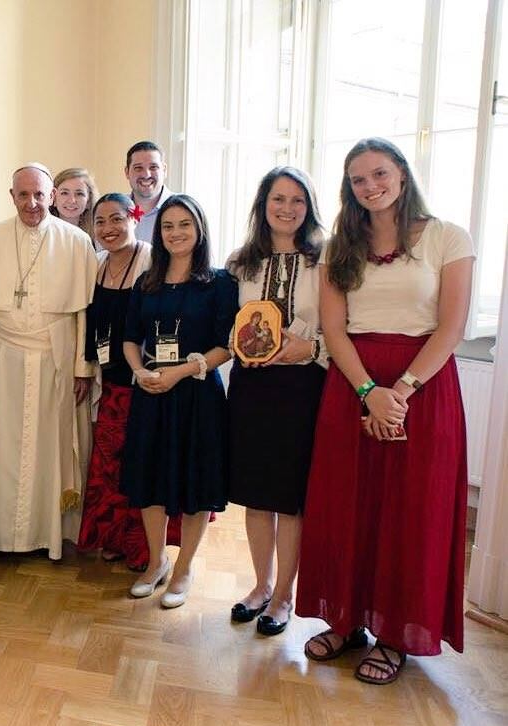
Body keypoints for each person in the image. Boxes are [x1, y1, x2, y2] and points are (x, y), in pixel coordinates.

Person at [297, 138, 473, 684]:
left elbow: (451, 327)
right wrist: (369, 391)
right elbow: (333, 327)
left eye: (379, 173)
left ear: (401, 172)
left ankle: (395, 631)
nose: (370, 186)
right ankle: (346, 620)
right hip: (353, 383)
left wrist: (400, 392)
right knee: (347, 505)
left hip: (424, 387)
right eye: (358, 180)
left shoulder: (448, 236)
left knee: (408, 511)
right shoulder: (339, 246)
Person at [0, 163, 97, 560]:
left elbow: (84, 313)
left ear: (52, 196)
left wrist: (82, 368)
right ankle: (1, 532)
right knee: (1, 445)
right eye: (23, 195)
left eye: (39, 195)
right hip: (4, 359)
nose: (32, 203)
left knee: (48, 450)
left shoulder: (76, 242)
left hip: (56, 358)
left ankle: (44, 534)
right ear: (12, 196)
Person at [225, 166, 328, 636]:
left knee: (289, 498)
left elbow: (338, 327)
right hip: (251, 387)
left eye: (297, 201)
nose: (287, 209)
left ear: (308, 208)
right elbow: (230, 325)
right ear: (262, 205)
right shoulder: (241, 262)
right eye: (277, 200)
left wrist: (308, 347)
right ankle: (260, 585)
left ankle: (285, 594)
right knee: (255, 494)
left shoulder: (325, 260)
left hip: (302, 389)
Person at [121, 194, 236, 606]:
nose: (175, 233)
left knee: (195, 482)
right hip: (152, 391)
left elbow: (227, 346)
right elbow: (131, 338)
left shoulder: (220, 282)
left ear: (200, 228)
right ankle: (157, 563)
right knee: (150, 481)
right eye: (168, 226)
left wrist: (181, 372)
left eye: (184, 224)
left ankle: (184, 568)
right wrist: (140, 372)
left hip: (197, 395)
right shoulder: (147, 282)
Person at [76, 194, 156, 571]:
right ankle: (113, 537)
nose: (108, 228)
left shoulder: (152, 260)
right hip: (109, 381)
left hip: (144, 383)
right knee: (109, 464)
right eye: (100, 222)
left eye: (116, 219)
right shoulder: (97, 264)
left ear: (134, 219)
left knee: (140, 463)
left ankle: (143, 546)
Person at [124, 141, 174, 244]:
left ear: (164, 170)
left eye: (153, 167)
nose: (146, 175)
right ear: (127, 172)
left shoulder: (184, 209)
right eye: (138, 168)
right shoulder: (117, 209)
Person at [50, 167, 99, 240]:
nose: (72, 200)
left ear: (88, 202)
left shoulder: (98, 237)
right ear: (53, 198)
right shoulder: (43, 234)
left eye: (79, 194)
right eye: (64, 193)